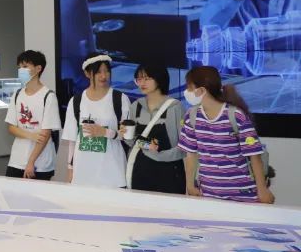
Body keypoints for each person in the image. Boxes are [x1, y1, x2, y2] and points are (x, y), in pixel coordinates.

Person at [179, 66, 273, 204]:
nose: (187, 92)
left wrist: (262, 190)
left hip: (243, 194)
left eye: (189, 88)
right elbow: (190, 155)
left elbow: (255, 156)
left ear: (202, 90)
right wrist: (190, 186)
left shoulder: (236, 116)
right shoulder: (191, 116)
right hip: (208, 194)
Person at [61, 54, 131, 187]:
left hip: (112, 174)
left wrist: (105, 132)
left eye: (107, 71)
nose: (103, 76)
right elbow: (72, 139)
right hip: (83, 173)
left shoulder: (120, 99)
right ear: (87, 73)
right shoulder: (76, 101)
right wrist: (70, 168)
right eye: (98, 72)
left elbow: (127, 136)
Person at [124, 63, 185, 193]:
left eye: (147, 78)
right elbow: (133, 142)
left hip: (168, 174)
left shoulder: (175, 107)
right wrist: (125, 135)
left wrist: (159, 155)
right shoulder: (136, 106)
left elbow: (183, 148)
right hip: (139, 173)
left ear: (159, 78)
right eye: (139, 79)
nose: (142, 83)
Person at [4, 50, 61, 180]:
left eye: (25, 66)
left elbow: (45, 134)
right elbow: (11, 127)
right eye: (19, 67)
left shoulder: (48, 96)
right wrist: (31, 135)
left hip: (40, 163)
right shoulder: (17, 94)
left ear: (38, 68)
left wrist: (31, 162)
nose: (21, 70)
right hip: (17, 160)